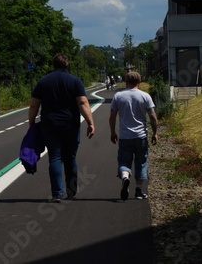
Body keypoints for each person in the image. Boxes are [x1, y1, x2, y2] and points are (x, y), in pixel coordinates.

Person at [29, 53, 95, 202]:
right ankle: (71, 191)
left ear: (53, 65)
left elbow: (34, 104)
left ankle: (57, 193)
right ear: (67, 64)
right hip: (70, 124)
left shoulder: (43, 82)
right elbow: (83, 103)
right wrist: (90, 122)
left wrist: (31, 122)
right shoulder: (75, 81)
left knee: (55, 157)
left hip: (50, 125)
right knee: (70, 157)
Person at [109, 71, 158, 200]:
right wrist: (155, 133)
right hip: (141, 136)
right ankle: (138, 191)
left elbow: (112, 116)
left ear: (126, 81)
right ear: (139, 82)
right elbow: (152, 116)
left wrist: (113, 132)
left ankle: (125, 177)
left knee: (124, 161)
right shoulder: (145, 96)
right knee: (141, 162)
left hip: (125, 137)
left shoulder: (118, 96)